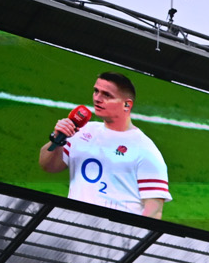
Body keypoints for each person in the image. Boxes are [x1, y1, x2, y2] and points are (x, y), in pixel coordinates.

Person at [38, 71, 170, 218]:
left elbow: (154, 211)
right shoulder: (82, 131)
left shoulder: (146, 149)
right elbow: (48, 166)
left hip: (112, 234)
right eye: (96, 91)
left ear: (126, 104)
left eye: (106, 95)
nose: (97, 98)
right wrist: (57, 140)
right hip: (74, 223)